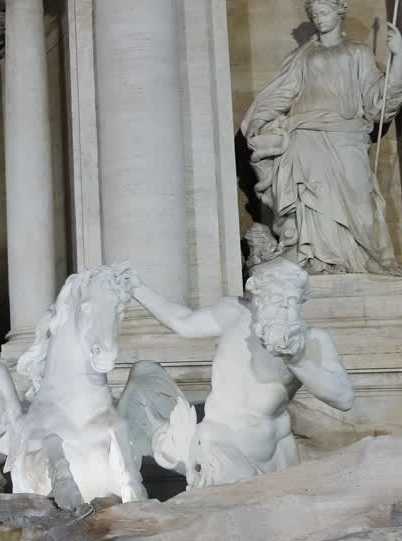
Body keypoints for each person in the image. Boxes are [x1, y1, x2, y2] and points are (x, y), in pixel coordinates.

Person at [132, 260, 354, 487]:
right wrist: (137, 288)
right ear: (257, 299)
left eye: (293, 302)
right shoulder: (233, 314)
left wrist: (298, 361)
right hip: (223, 443)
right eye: (277, 301)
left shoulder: (313, 339)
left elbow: (344, 398)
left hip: (279, 449)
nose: (286, 310)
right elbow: (183, 322)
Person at [242, 0, 402, 274]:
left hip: (346, 135)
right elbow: (283, 93)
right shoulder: (302, 55)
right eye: (315, 14)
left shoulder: (358, 52)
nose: (320, 19)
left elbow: (378, 101)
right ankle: (316, 259)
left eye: (325, 12)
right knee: (311, 198)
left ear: (340, 13)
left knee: (360, 198)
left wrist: (399, 58)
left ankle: (362, 259)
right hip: (306, 135)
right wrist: (259, 119)